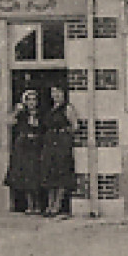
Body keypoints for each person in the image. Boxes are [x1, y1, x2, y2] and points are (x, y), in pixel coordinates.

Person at [4, 88, 46, 214]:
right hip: (24, 148)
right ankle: (29, 205)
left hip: (36, 148)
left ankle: (38, 205)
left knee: (36, 176)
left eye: (34, 99)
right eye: (29, 100)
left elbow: (44, 129)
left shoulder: (41, 114)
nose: (32, 102)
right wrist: (16, 111)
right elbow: (9, 122)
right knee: (26, 177)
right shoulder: (22, 114)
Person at [40, 85, 79, 218]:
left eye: (59, 92)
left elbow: (75, 126)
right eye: (54, 92)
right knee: (50, 173)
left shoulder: (67, 108)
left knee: (61, 173)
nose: (56, 95)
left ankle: (58, 205)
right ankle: (50, 205)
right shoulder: (51, 110)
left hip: (61, 144)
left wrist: (64, 137)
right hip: (50, 143)